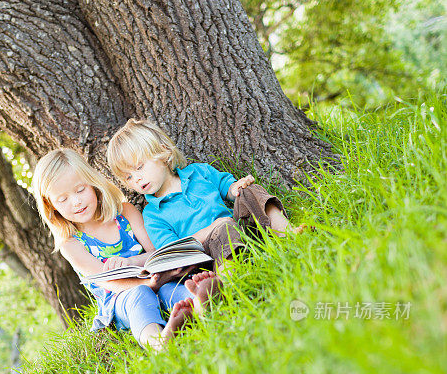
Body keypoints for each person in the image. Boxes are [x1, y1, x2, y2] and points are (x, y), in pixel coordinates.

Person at [32, 148, 219, 351]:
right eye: (63, 199)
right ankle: (158, 342)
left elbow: (154, 251)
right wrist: (148, 284)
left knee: (169, 289)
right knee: (139, 295)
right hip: (120, 299)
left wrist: (159, 275)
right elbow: (108, 282)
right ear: (50, 205)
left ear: (93, 184)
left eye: (80, 190)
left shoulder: (125, 212)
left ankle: (201, 304)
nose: (76, 202)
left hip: (157, 278)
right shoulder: (71, 243)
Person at [106, 118, 306, 270]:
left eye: (139, 167)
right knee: (224, 229)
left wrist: (235, 188)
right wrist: (213, 228)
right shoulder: (153, 214)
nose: (137, 179)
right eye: (129, 177)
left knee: (248, 191)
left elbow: (225, 186)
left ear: (163, 152)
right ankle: (231, 279)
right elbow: (173, 251)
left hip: (242, 228)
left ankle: (287, 234)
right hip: (209, 253)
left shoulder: (199, 172)